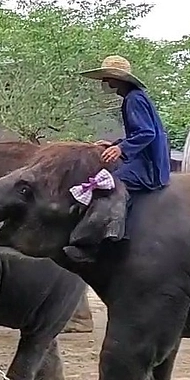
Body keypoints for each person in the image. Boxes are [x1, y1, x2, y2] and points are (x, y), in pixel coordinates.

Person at [71, 55, 171, 260]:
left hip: (149, 166)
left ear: (118, 79)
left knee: (109, 183)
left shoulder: (134, 99)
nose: (105, 82)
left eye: (108, 77)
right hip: (144, 160)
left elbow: (147, 133)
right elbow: (139, 133)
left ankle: (113, 234)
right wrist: (115, 144)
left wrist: (121, 149)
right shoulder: (135, 97)